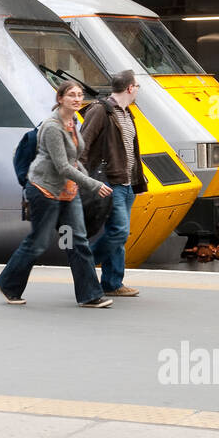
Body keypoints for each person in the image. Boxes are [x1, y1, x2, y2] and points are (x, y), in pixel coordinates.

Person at [0, 80, 113, 308]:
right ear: (60, 99)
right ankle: (8, 283)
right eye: (71, 95)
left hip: (68, 193)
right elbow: (62, 166)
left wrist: (87, 178)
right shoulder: (52, 127)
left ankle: (90, 295)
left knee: (77, 240)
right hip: (45, 191)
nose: (77, 99)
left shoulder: (74, 123)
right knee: (39, 243)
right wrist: (93, 185)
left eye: (80, 94)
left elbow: (75, 161)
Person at [80, 69, 148, 298]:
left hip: (127, 183)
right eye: (137, 86)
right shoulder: (101, 110)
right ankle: (83, 264)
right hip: (110, 182)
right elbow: (83, 144)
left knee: (118, 235)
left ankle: (112, 282)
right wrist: (80, 177)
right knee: (119, 232)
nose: (137, 90)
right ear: (130, 88)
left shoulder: (128, 114)